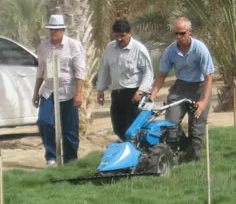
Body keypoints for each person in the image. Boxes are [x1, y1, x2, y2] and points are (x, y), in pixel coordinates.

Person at [150, 17, 214, 162]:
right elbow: (161, 75)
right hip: (180, 88)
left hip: (200, 87)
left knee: (196, 129)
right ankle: (172, 155)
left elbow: (208, 76)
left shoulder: (200, 49)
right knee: (170, 123)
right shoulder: (170, 51)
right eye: (176, 34)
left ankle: (192, 160)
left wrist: (203, 101)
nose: (179, 37)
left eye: (182, 33)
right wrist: (152, 95)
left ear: (190, 32)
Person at [32, 14, 86, 166]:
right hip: (49, 90)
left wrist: (79, 93)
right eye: (51, 29)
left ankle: (70, 161)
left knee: (69, 129)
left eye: (56, 29)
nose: (53, 32)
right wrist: (36, 92)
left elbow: (80, 71)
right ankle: (51, 157)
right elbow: (41, 71)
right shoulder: (44, 47)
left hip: (68, 91)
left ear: (63, 30)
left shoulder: (74, 46)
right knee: (43, 121)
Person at [96, 19, 154, 141]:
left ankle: (137, 153)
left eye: (122, 36)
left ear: (129, 34)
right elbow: (104, 69)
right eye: (116, 36)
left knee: (132, 127)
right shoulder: (110, 48)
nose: (119, 39)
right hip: (117, 94)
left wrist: (141, 91)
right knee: (118, 127)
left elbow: (148, 72)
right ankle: (127, 149)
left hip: (134, 94)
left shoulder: (139, 49)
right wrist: (100, 89)